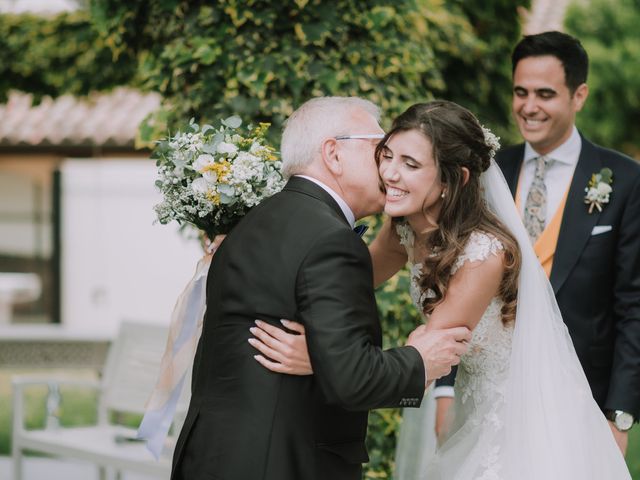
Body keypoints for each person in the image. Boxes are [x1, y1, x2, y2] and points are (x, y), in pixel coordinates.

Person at [252, 100, 632, 478]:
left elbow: (427, 360)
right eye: (387, 156)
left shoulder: (485, 255)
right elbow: (343, 282)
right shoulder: (401, 228)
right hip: (475, 407)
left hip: (522, 417)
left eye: (411, 164)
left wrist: (320, 358)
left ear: (454, 180)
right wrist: (262, 257)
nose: (390, 173)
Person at [170, 96, 471, 480]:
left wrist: (321, 358)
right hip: (279, 463)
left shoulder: (252, 222)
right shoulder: (331, 240)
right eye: (380, 150)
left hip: (212, 458)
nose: (386, 167)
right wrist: (418, 360)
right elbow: (351, 378)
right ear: (333, 153)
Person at [435, 30, 640, 455]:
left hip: (580, 396)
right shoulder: (488, 173)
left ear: (578, 95)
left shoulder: (626, 182)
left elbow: (633, 306)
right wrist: (443, 388)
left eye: (545, 94)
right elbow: (454, 283)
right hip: (489, 395)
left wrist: (620, 414)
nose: (529, 107)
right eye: (520, 92)